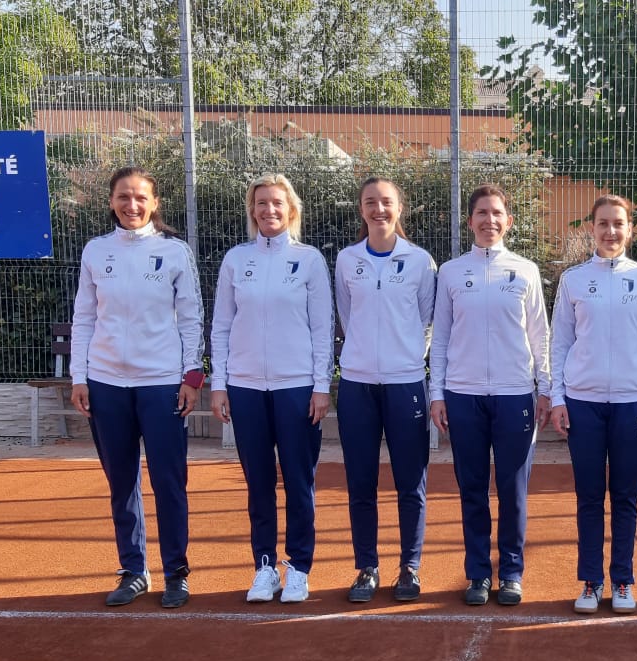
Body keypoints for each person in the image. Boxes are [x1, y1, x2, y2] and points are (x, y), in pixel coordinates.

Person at [70, 166, 204, 609]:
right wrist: (79, 376)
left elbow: (191, 318)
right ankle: (133, 570)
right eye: (123, 197)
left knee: (169, 482)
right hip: (106, 384)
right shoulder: (96, 251)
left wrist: (191, 377)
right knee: (121, 482)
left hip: (161, 384)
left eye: (140, 197)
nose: (132, 205)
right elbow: (84, 317)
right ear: (111, 201)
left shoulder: (174, 251)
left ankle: (176, 573)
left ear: (154, 203)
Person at [209, 174, 334, 604]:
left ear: (291, 209)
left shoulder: (309, 260)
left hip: (296, 387)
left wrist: (321, 386)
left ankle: (298, 568)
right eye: (261, 203)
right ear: (252, 210)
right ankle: (264, 566)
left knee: (299, 482)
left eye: (277, 203)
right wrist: (220, 384)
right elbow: (221, 325)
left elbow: (322, 328)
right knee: (258, 484)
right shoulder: (235, 260)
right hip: (245, 387)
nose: (269, 210)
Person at [429, 184, 552, 607]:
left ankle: (511, 572)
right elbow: (440, 338)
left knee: (513, 490)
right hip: (463, 395)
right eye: (482, 213)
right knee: (472, 488)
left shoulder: (525, 271)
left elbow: (540, 334)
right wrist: (437, 393)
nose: (489, 220)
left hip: (515, 394)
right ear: (470, 221)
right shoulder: (451, 273)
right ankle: (479, 573)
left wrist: (545, 388)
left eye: (497, 213)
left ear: (508, 221)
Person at [551, 195, 637, 615]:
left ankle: (621, 579)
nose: (610, 231)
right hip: (582, 403)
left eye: (618, 223)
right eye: (603, 223)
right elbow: (559, 341)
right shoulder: (573, 280)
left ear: (630, 229)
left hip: (632, 403)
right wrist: (558, 398)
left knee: (625, 497)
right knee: (588, 496)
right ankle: (590, 580)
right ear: (592, 229)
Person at [334, 177, 437, 603]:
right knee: (361, 483)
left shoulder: (420, 261)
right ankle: (367, 567)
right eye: (370, 202)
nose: (379, 209)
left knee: (410, 482)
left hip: (406, 384)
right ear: (361, 209)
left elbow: (427, 320)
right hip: (356, 385)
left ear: (399, 208)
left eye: (386, 202)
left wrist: (407, 356)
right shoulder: (346, 260)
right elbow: (346, 315)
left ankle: (409, 567)